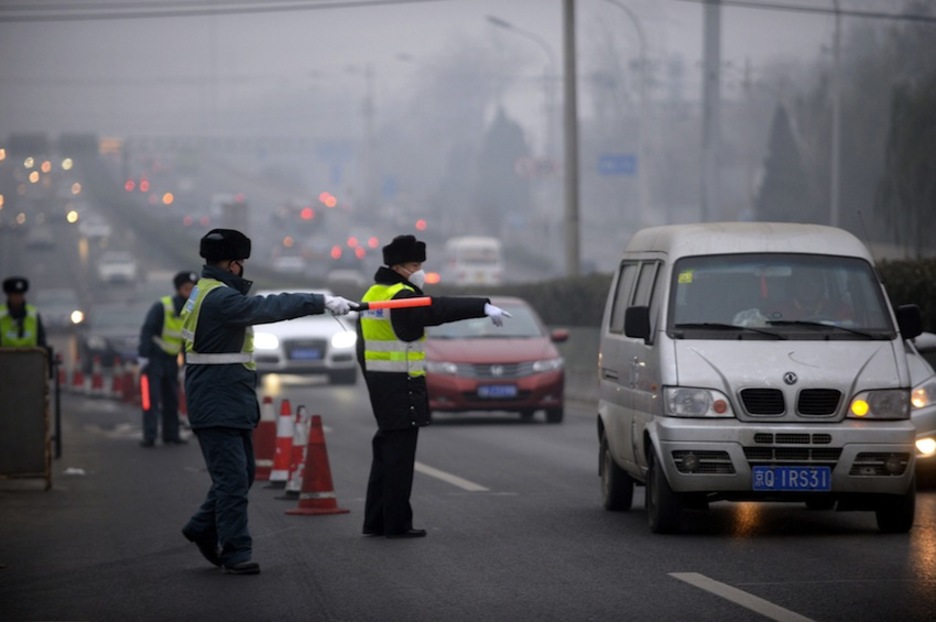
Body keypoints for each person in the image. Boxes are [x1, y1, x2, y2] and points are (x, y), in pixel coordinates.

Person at [179, 228, 354, 575]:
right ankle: (235, 551)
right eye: (241, 261)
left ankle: (201, 527)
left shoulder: (206, 291)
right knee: (232, 481)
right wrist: (317, 301)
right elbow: (266, 307)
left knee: (241, 474)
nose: (242, 267)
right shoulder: (220, 299)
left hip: (225, 397)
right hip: (218, 400)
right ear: (232, 264)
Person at [357, 234, 510, 539]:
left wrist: (372, 378)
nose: (420, 270)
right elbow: (436, 309)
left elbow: (362, 347)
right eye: (415, 265)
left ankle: (376, 522)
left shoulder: (375, 292)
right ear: (399, 267)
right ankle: (397, 524)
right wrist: (482, 306)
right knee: (399, 458)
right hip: (401, 385)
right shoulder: (402, 295)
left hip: (381, 383)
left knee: (385, 454)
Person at [137, 270, 198, 448]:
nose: (190, 293)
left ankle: (171, 434)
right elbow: (147, 330)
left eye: (193, 290)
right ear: (179, 289)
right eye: (187, 289)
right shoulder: (164, 306)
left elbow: (188, 339)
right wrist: (143, 356)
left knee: (172, 399)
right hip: (154, 358)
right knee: (151, 399)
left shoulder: (191, 311)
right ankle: (149, 435)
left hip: (171, 361)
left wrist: (187, 363)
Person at [1, 277, 47, 350]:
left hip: (31, 358)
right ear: (8, 296)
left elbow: (41, 340)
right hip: (4, 359)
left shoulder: (33, 314)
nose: (17, 298)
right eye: (14, 295)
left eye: (20, 295)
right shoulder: (1, 314)